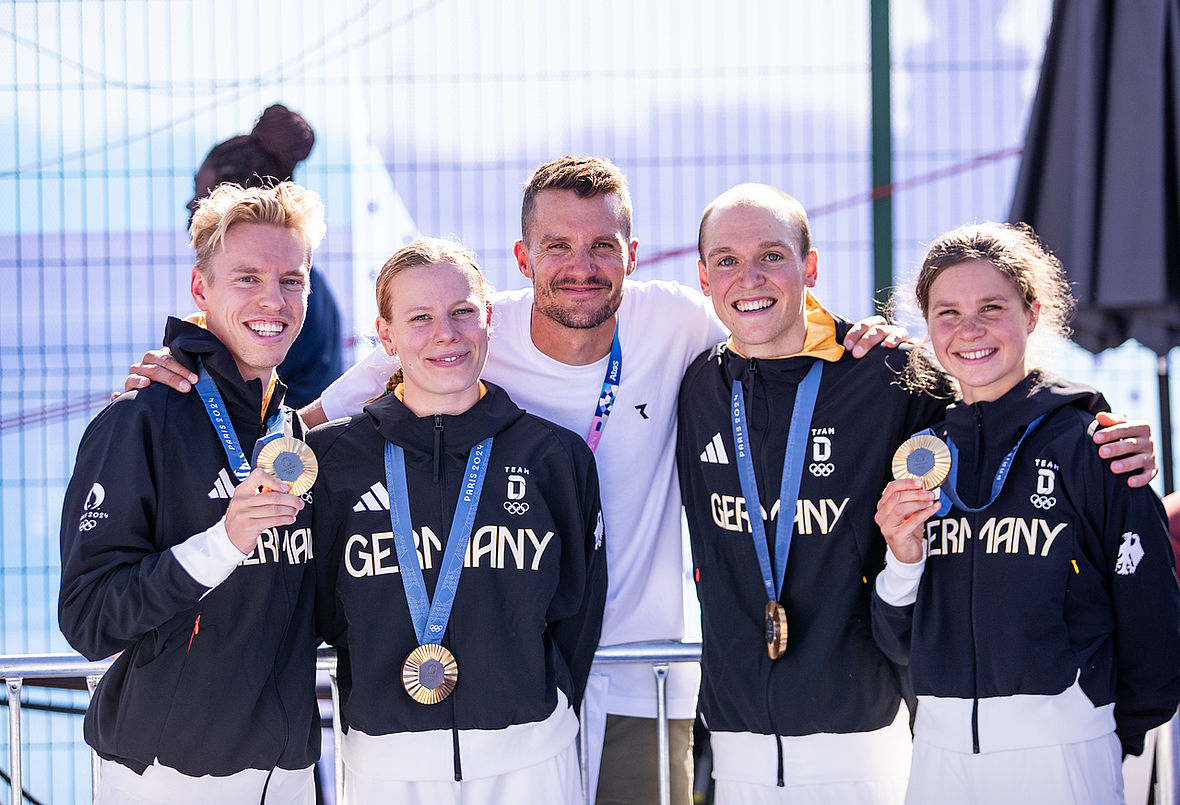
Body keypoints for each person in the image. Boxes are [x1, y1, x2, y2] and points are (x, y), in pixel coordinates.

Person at [118, 156, 1153, 804]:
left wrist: (1085, 424)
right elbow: (299, 425)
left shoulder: (686, 328)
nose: (581, 266)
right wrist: (192, 370)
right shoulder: (453, 334)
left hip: (663, 689)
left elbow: (941, 373)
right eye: (558, 247)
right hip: (508, 695)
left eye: (603, 245)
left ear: (637, 255)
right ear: (523, 256)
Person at [675, 186, 1159, 805]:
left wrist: (1100, 425)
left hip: (875, 739)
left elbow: (999, 401)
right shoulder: (696, 387)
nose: (749, 277)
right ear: (703, 274)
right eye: (726, 260)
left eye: (772, 255)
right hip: (741, 737)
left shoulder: (889, 376)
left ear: (810, 267)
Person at [873, 222, 1180, 805]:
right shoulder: (922, 453)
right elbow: (896, 638)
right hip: (939, 756)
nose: (970, 330)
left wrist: (1106, 732)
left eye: (992, 307)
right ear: (926, 325)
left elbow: (1152, 617)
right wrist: (903, 559)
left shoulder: (1097, 447)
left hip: (1063, 753)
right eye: (947, 313)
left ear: (1032, 313)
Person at [306, 238, 606, 803]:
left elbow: (578, 608)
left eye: (462, 311)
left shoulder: (553, 457)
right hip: (387, 765)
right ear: (386, 335)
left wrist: (545, 705)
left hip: (530, 758)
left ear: (488, 319)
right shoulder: (336, 463)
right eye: (419, 317)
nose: (446, 333)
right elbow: (321, 607)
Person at [58, 181, 326, 803]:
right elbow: (89, 618)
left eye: (292, 280)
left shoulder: (291, 431)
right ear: (200, 289)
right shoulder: (143, 419)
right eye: (247, 278)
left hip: (285, 769)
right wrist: (222, 543)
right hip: (166, 773)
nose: (273, 300)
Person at [189, 103, 344, 408]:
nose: (190, 204)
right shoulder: (305, 285)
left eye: (202, 192)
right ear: (199, 289)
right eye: (247, 279)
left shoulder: (292, 301)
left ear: (228, 198)